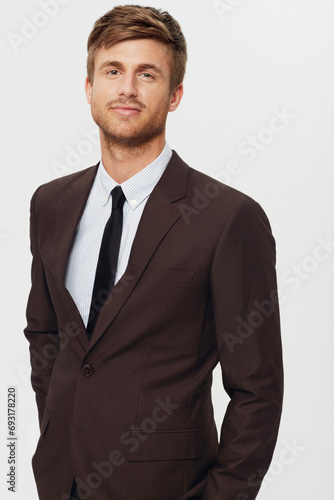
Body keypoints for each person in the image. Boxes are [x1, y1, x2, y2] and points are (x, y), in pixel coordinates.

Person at [24, 5, 283, 500]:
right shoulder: (50, 203)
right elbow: (45, 333)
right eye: (113, 71)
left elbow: (258, 391)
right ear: (89, 89)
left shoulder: (228, 218)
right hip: (61, 482)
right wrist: (57, 428)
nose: (127, 88)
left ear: (174, 95)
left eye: (147, 74)